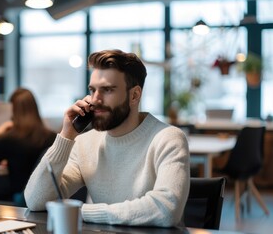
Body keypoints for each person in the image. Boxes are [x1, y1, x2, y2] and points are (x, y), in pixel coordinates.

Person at [24, 49, 190, 227]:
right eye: (92, 90)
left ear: (134, 95)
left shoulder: (168, 139)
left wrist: (81, 212)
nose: (95, 100)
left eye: (107, 90)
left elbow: (166, 210)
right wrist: (66, 136)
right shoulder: (84, 143)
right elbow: (36, 201)